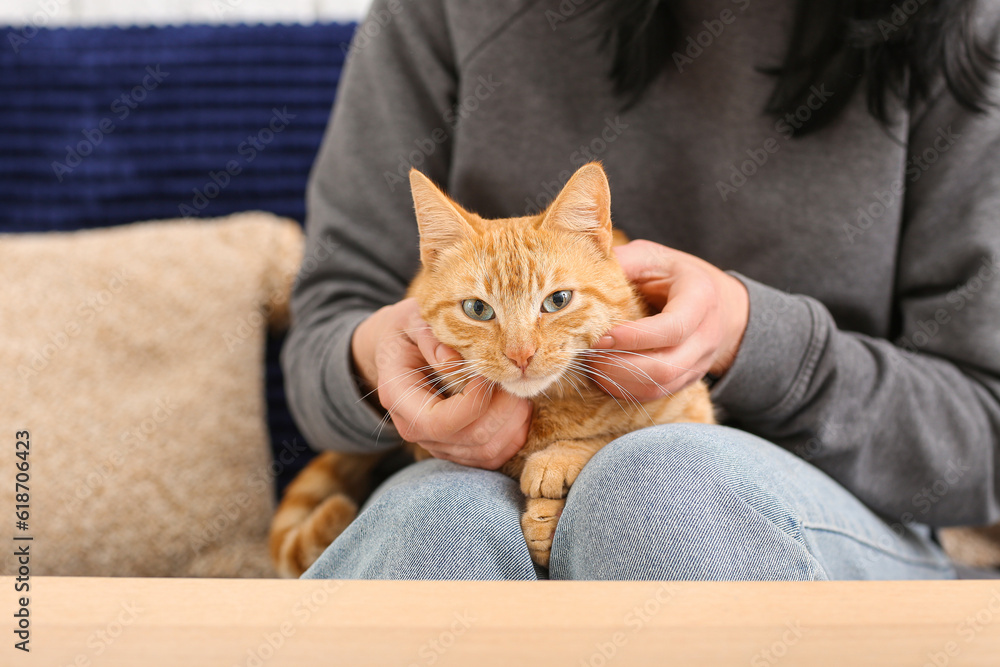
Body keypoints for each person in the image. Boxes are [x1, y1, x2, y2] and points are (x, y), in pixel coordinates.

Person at [282, 0, 1000, 580]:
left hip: (829, 506)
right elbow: (328, 327)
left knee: (656, 489)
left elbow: (984, 437)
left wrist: (760, 342)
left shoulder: (964, 23)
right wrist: (380, 358)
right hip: (475, 469)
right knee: (435, 522)